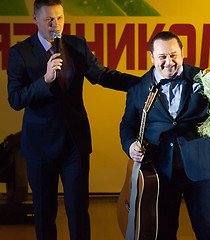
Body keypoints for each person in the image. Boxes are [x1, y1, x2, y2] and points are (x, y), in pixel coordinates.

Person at [7, 0, 139, 239]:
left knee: (78, 211)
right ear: (35, 19)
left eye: (59, 18)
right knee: (45, 214)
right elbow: (15, 99)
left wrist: (141, 83)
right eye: (49, 19)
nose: (55, 25)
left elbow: (101, 75)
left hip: (74, 144)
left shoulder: (76, 44)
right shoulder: (20, 52)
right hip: (39, 147)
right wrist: (44, 80)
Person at [120, 31, 210, 240]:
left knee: (207, 230)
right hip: (159, 173)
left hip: (201, 167)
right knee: (164, 232)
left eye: (173, 55)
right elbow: (127, 125)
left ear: (182, 53)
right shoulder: (138, 88)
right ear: (152, 58)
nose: (168, 62)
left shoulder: (206, 79)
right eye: (162, 57)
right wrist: (130, 146)